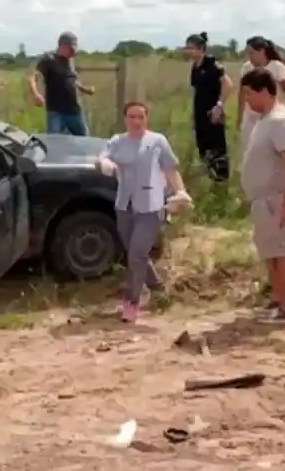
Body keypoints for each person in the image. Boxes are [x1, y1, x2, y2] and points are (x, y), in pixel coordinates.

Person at [94, 101, 192, 323]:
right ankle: (157, 287)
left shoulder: (157, 141)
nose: (136, 121)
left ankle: (132, 303)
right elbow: (102, 157)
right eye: (131, 117)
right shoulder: (117, 141)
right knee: (135, 252)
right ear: (125, 119)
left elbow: (170, 169)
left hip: (151, 205)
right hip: (124, 205)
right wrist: (104, 163)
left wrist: (181, 192)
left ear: (147, 119)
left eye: (140, 117)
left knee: (136, 255)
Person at [240, 67, 285, 323]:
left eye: (249, 94)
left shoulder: (279, 121)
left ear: (264, 91)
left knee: (281, 254)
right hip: (263, 201)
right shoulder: (264, 119)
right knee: (271, 255)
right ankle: (278, 301)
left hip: (275, 199)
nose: (246, 100)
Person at [186, 31, 232, 181]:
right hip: (200, 113)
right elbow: (197, 90)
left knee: (217, 148)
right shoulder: (195, 67)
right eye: (188, 48)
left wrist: (219, 106)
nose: (189, 51)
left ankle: (222, 181)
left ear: (201, 49)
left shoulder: (213, 65)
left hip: (213, 114)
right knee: (204, 148)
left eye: (192, 48)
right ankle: (211, 179)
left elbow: (228, 84)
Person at [29, 31, 96, 136]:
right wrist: (35, 94)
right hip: (56, 112)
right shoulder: (48, 59)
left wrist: (85, 89)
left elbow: (72, 81)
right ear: (63, 45)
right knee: (54, 142)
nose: (73, 52)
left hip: (75, 110)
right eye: (72, 49)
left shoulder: (70, 61)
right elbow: (33, 78)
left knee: (84, 140)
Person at [237, 36, 285, 143]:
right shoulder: (246, 68)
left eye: (252, 53)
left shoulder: (277, 67)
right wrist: (240, 117)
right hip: (251, 118)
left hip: (272, 116)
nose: (249, 57)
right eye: (248, 53)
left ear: (262, 51)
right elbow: (242, 94)